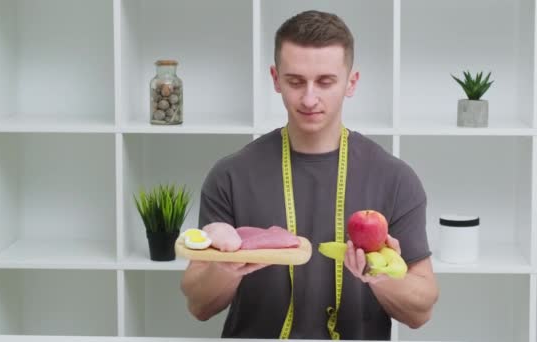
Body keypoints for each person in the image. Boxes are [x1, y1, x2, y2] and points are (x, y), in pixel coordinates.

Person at [181, 10, 439, 340]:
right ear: (275, 79)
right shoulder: (230, 174)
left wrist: (380, 275)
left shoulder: (395, 178)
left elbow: (422, 310)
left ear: (351, 82)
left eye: (326, 82)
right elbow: (198, 305)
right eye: (295, 81)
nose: (309, 98)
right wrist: (226, 270)